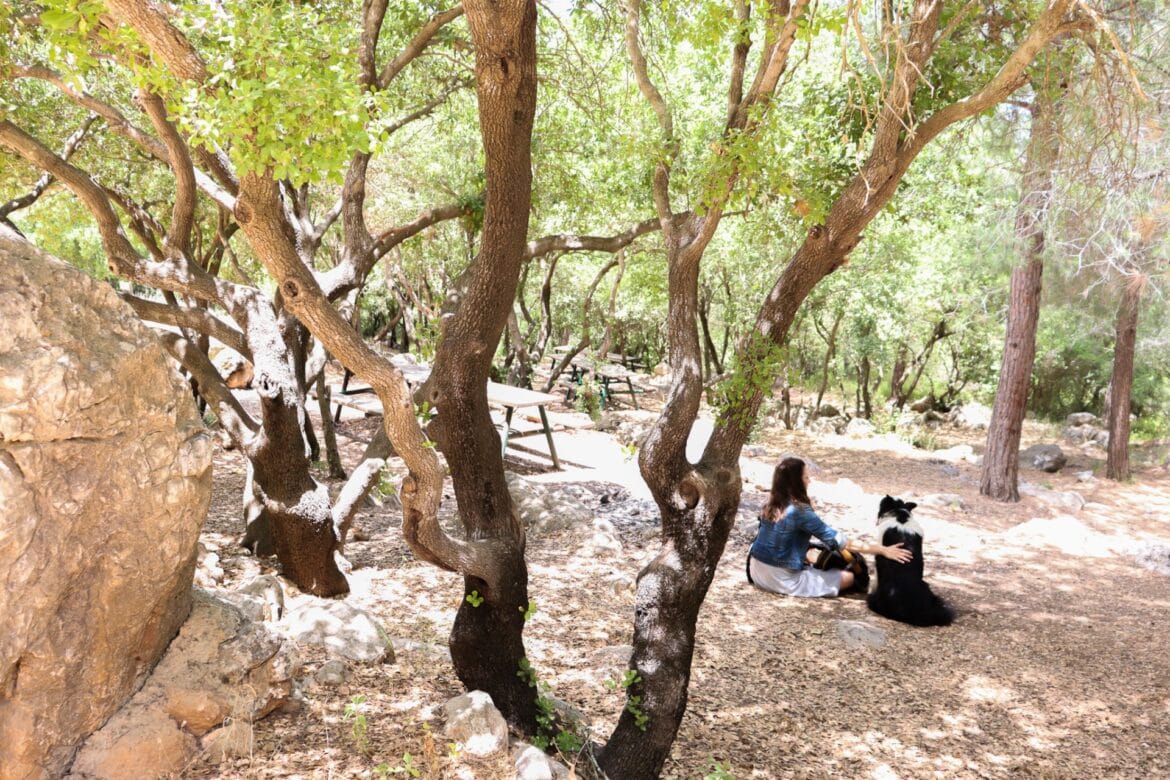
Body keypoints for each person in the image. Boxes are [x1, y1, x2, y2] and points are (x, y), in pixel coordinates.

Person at [747, 456, 912, 598]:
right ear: (796, 482)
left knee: (811, 552)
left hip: (756, 571)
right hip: (780, 580)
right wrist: (883, 550)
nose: (809, 481)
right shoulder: (800, 511)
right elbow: (842, 542)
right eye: (806, 477)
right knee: (849, 577)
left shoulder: (770, 504)